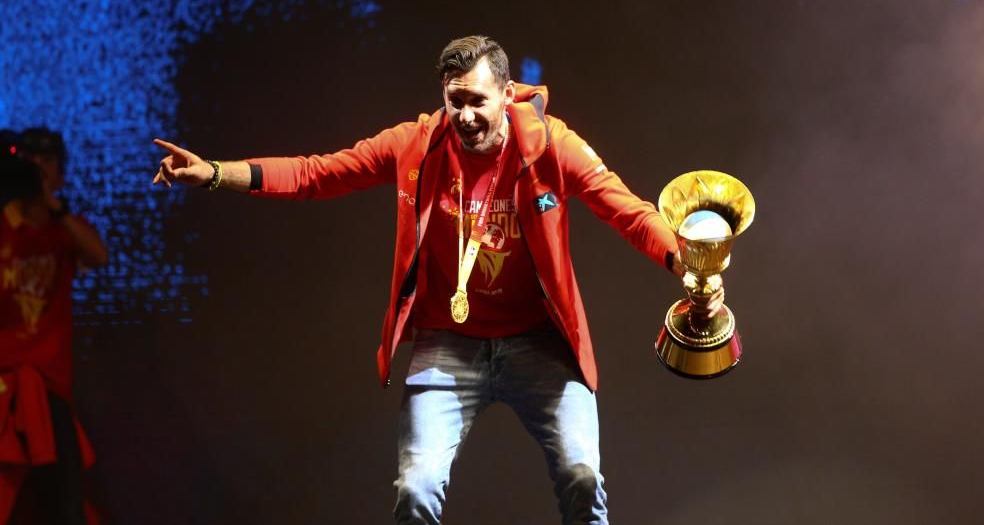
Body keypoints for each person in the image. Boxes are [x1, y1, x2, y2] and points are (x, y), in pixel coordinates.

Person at [152, 36, 723, 524]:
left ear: (507, 93)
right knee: (416, 489)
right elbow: (315, 173)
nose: (466, 115)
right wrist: (215, 174)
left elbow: (629, 210)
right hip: (447, 346)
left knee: (582, 474)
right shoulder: (415, 146)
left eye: (478, 100)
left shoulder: (553, 146)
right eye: (455, 103)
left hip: (541, 343)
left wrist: (688, 266)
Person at [0, 128, 107, 524]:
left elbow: (98, 256)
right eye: (29, 163)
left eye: (46, 163)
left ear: (60, 173)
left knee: (63, 500)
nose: (37, 171)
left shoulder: (65, 230)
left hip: (48, 385)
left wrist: (50, 204)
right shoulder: (4, 226)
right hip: (2, 381)